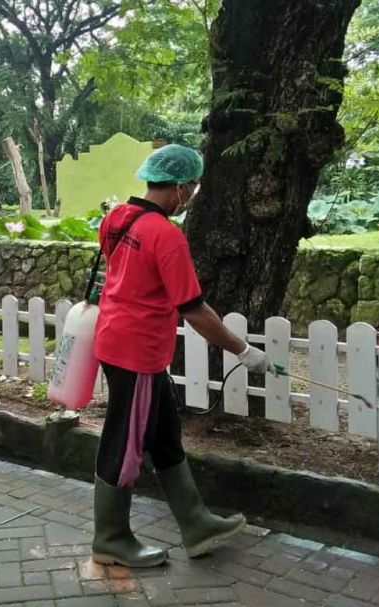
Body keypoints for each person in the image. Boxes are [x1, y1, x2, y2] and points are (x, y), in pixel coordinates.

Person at [91, 144, 273, 568]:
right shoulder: (166, 234)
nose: (191, 196)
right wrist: (243, 350)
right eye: (192, 187)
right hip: (136, 353)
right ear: (178, 186)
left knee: (164, 436)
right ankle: (111, 537)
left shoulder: (116, 218)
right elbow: (193, 309)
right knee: (124, 444)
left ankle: (196, 523)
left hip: (119, 340)